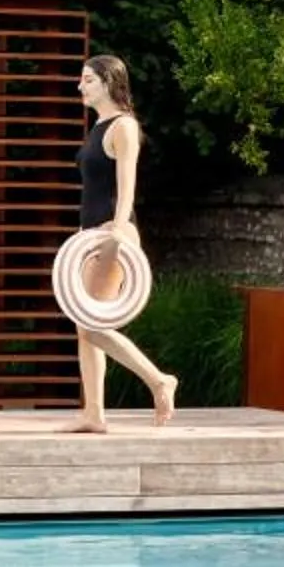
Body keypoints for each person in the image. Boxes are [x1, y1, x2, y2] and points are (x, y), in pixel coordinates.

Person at [68, 51, 177, 433]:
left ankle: (159, 380)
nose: (80, 86)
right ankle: (93, 414)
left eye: (88, 80)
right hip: (91, 235)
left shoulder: (123, 127)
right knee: (84, 327)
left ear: (110, 83)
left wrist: (115, 229)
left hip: (112, 233)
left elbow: (127, 182)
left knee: (92, 322)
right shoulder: (98, 127)